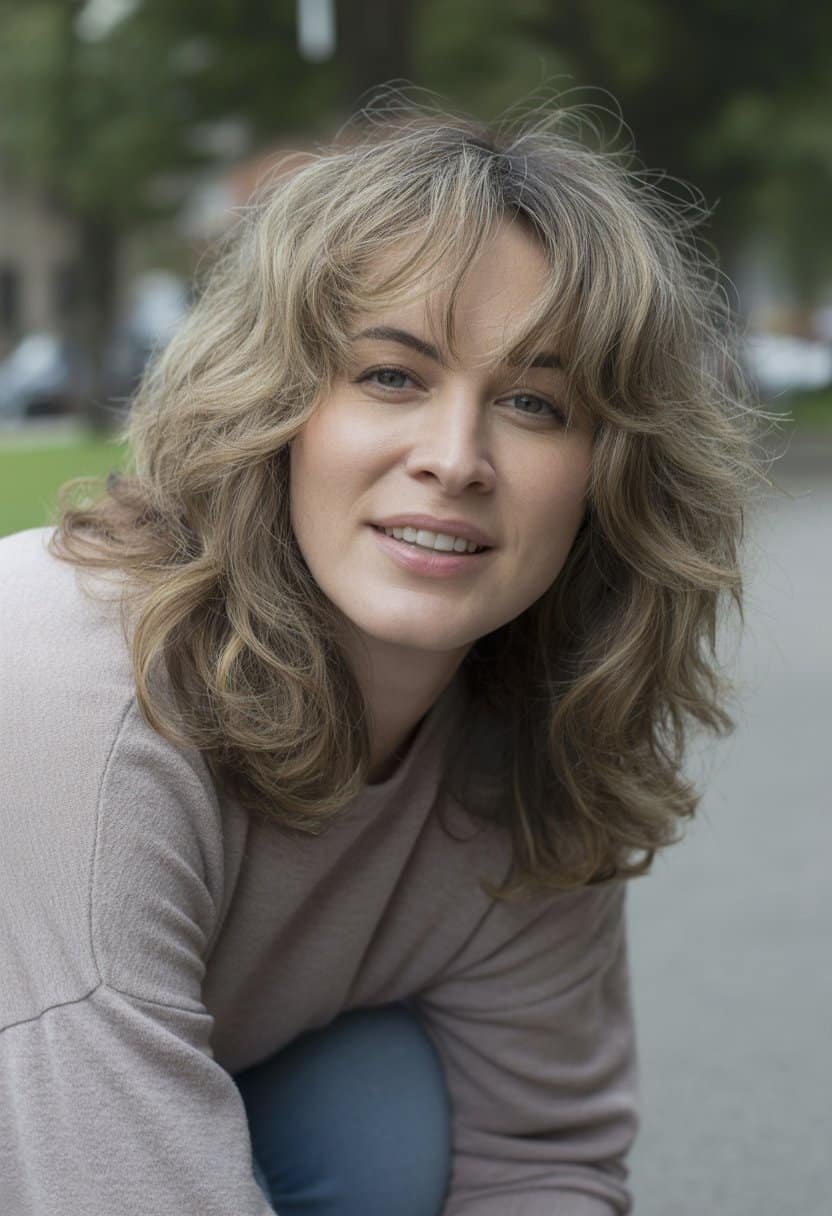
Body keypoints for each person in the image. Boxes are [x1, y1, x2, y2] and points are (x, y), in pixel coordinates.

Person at [0, 94, 762, 1215]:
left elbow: (540, 1162)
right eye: (392, 377)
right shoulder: (83, 687)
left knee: (383, 1106)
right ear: (274, 407)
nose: (455, 459)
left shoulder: (527, 763)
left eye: (534, 403)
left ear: (613, 471)